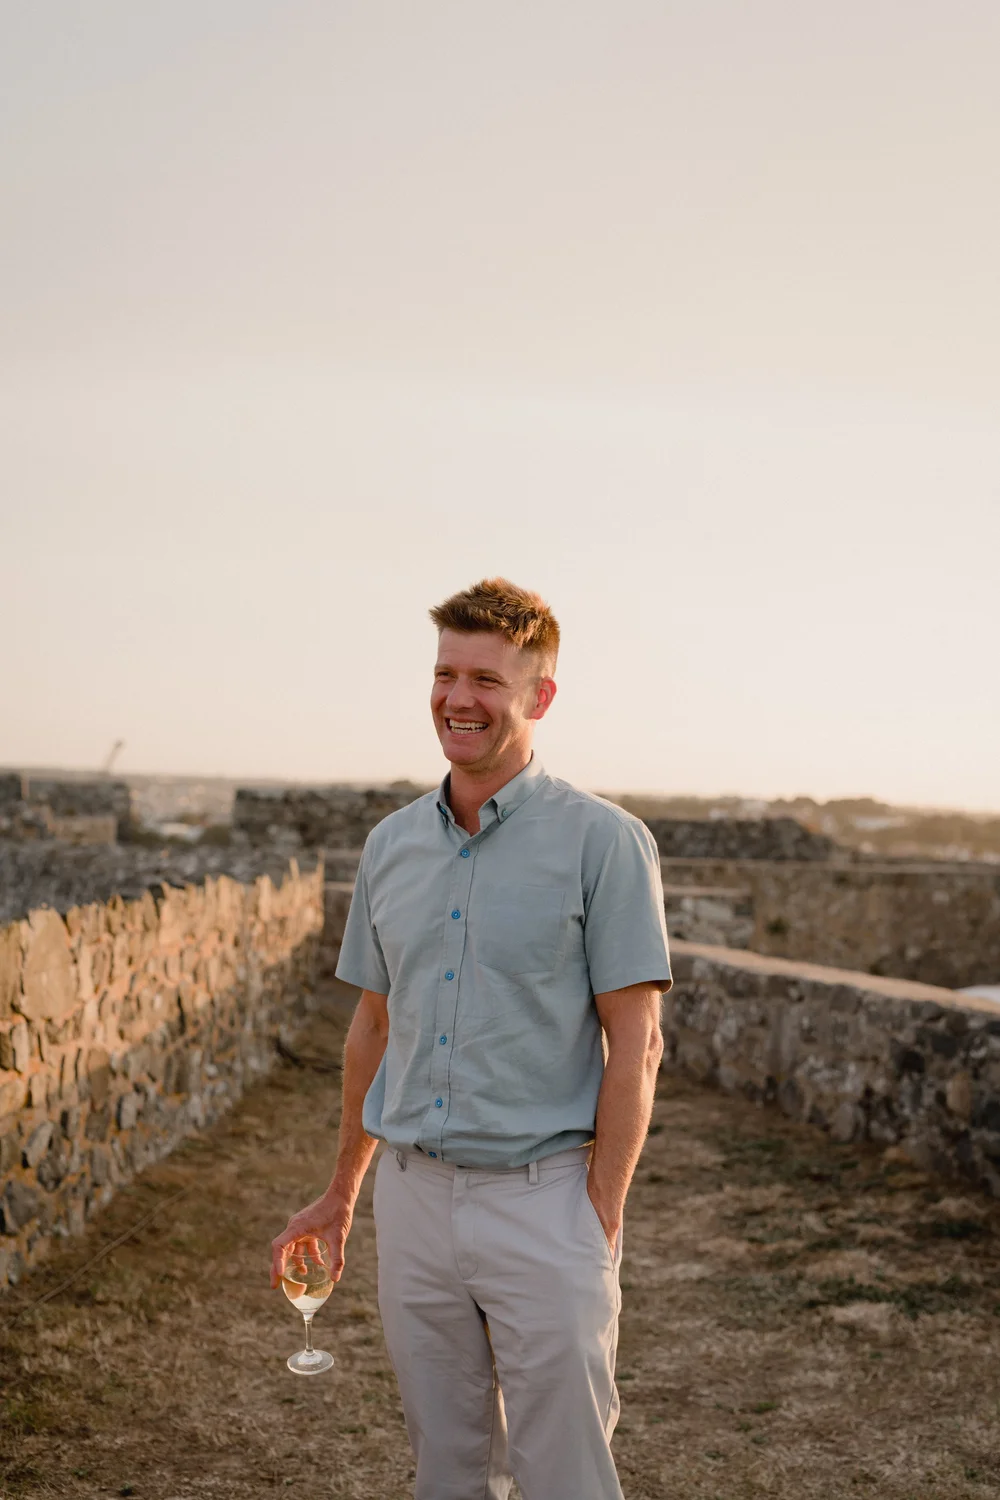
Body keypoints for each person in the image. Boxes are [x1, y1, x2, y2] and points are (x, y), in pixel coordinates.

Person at [271, 577, 672, 1500]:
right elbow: (374, 1026)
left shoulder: (605, 842)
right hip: (412, 1199)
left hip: (546, 1200)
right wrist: (343, 1193)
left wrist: (598, 1215)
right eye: (446, 674)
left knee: (566, 1472)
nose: (459, 698)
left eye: (487, 679)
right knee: (445, 1470)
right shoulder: (389, 846)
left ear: (540, 696)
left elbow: (637, 1043)